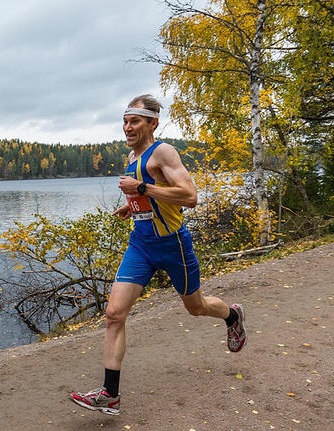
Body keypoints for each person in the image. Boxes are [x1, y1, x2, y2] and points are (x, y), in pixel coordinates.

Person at [70, 94, 247, 416]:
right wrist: (132, 205)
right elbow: (154, 195)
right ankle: (110, 394)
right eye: (125, 121)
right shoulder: (133, 157)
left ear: (152, 123)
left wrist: (141, 190)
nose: (127, 127)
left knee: (196, 307)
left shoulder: (162, 152)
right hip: (141, 244)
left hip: (172, 245)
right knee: (114, 315)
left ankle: (232, 316)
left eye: (134, 121)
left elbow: (190, 197)